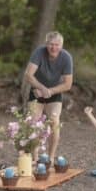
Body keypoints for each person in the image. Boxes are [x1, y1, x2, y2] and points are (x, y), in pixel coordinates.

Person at [23, 31, 73, 162]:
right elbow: (28, 75)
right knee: (34, 122)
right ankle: (34, 158)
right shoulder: (39, 52)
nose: (53, 48)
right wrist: (42, 89)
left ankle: (50, 158)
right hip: (37, 91)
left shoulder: (66, 57)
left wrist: (49, 91)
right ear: (46, 44)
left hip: (54, 93)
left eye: (57, 45)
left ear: (61, 46)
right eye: (51, 44)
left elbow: (68, 85)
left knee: (54, 121)